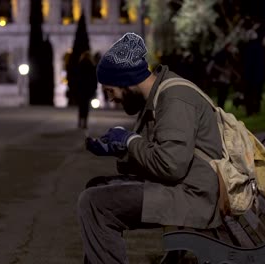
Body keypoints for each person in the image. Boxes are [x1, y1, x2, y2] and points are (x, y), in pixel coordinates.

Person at [77, 32, 223, 264]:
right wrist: (121, 151)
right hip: (186, 188)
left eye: (110, 91)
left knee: (94, 203)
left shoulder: (174, 99)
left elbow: (171, 166)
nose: (112, 99)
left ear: (126, 82)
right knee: (95, 188)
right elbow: (158, 157)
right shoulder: (160, 97)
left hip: (197, 197)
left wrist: (130, 141)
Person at [76, 50, 98, 129]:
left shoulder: (80, 65)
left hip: (81, 88)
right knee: (86, 106)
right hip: (88, 88)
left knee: (81, 105)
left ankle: (79, 121)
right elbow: (94, 79)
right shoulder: (92, 66)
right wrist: (94, 88)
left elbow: (76, 78)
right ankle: (85, 123)